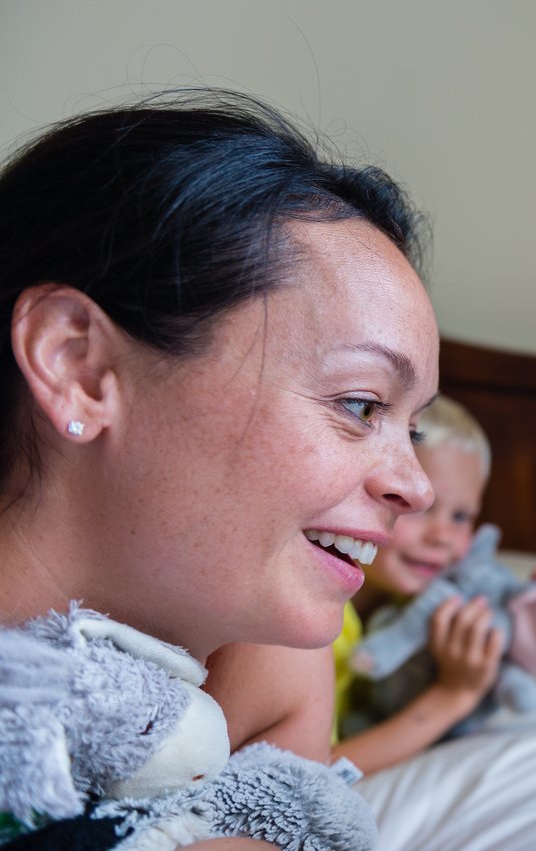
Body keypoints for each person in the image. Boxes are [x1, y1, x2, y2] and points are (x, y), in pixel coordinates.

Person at [0, 89, 439, 848]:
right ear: (79, 366)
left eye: (415, 429)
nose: (416, 486)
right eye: (362, 405)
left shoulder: (262, 665)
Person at [331, 396, 504, 776]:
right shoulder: (320, 619)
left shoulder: (409, 607)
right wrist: (453, 695)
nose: (443, 536)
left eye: (461, 516)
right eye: (423, 507)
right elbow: (310, 771)